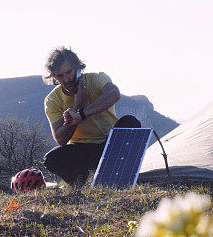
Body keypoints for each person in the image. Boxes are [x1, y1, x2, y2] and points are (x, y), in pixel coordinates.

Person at [42, 47, 140, 188]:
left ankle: (119, 176)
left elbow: (114, 94)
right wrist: (77, 107)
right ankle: (82, 182)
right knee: (51, 159)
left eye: (69, 72)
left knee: (130, 122)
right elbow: (60, 139)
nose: (66, 79)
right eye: (60, 76)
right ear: (54, 77)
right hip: (82, 150)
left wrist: (82, 114)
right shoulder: (52, 99)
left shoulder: (96, 78)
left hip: (110, 143)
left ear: (77, 68)